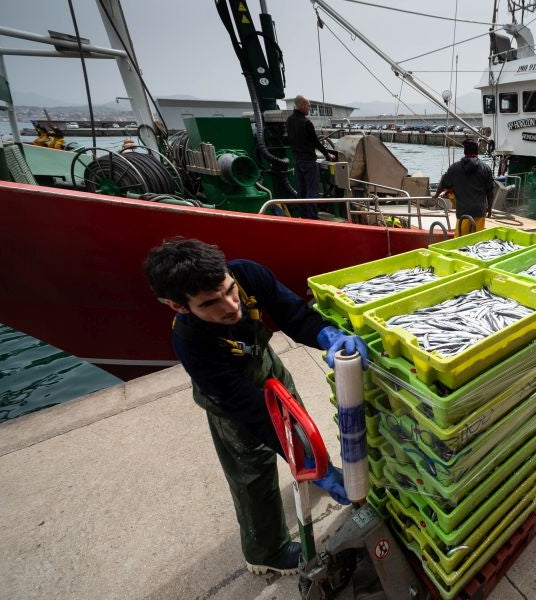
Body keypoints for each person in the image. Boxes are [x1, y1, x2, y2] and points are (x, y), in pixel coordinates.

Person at [143, 238, 368, 575]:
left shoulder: (247, 272)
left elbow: (292, 313)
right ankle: (266, 551)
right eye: (210, 304)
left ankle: (312, 470)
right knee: (253, 468)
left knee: (301, 432)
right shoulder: (191, 344)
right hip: (230, 398)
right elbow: (255, 414)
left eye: (229, 290)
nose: (230, 306)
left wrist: (327, 335)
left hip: (264, 364)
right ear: (178, 306)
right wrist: (308, 463)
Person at [286, 95, 338, 220]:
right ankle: (313, 217)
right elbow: (316, 142)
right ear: (302, 105)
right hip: (308, 161)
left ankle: (303, 216)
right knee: (312, 191)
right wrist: (327, 154)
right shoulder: (306, 122)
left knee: (301, 190)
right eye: (308, 105)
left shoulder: (289, 120)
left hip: (297, 161)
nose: (309, 107)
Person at [434, 139, 495, 235]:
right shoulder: (485, 168)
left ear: (464, 152)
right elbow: (490, 192)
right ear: (477, 152)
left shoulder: (454, 168)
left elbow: (443, 183)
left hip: (463, 212)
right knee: (476, 242)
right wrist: (490, 209)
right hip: (479, 211)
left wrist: (436, 194)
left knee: (460, 243)